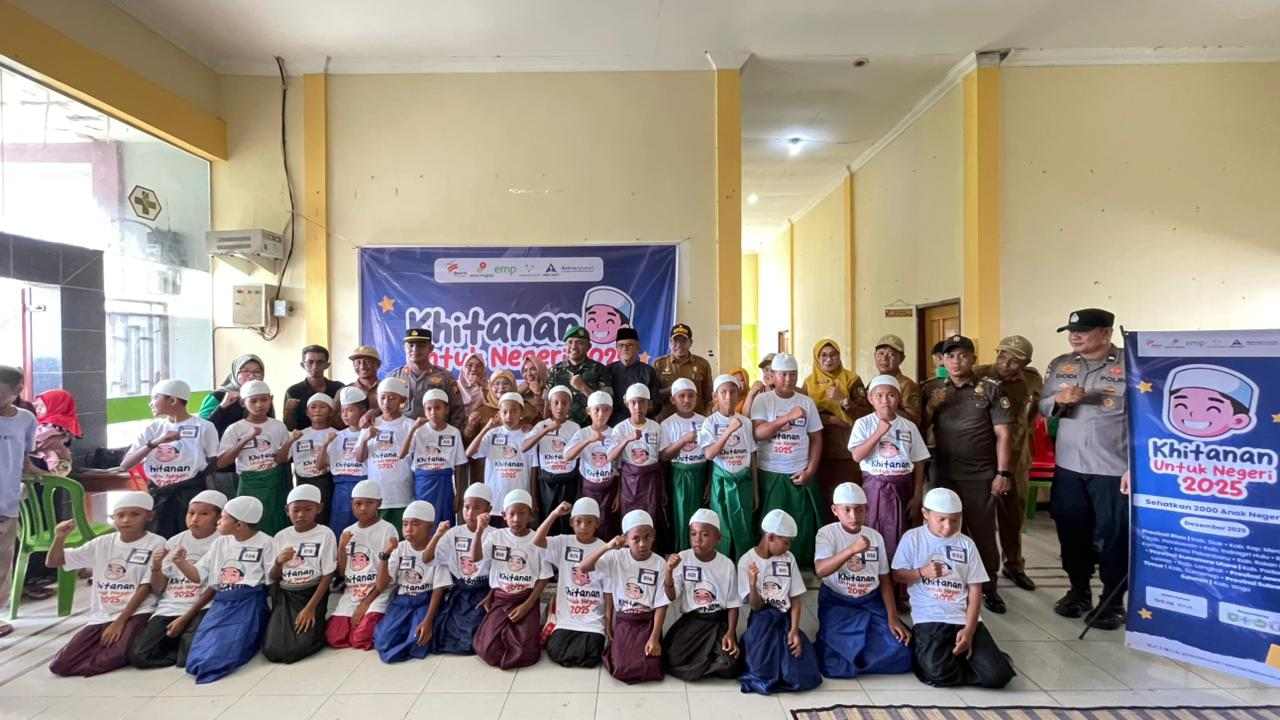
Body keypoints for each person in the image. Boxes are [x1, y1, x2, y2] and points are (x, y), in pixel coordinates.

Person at [1038, 308, 1129, 630]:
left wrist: (1136, 468)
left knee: (1113, 538)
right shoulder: (1061, 364)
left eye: (1084, 330)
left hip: (1113, 469)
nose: (1075, 336)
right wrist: (1060, 399)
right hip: (1069, 467)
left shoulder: (1131, 365)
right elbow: (1043, 405)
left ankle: (1112, 601)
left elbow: (1147, 418)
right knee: (1071, 532)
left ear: (1106, 333)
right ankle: (1078, 591)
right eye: (1072, 331)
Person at [919, 336, 1013, 614]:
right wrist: (931, 406)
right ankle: (948, 581)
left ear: (973, 358)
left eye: (962, 355)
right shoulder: (932, 388)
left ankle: (989, 588)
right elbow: (918, 428)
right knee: (942, 532)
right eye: (950, 356)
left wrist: (1003, 472)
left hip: (979, 474)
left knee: (982, 533)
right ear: (942, 360)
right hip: (943, 474)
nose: (956, 361)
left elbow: (1003, 434)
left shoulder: (990, 389)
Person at [891, 488, 1015, 689]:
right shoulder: (912, 538)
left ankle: (981, 661)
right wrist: (922, 572)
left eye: (955, 520)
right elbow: (897, 575)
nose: (948, 526)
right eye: (941, 519)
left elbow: (975, 589)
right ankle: (953, 659)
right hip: (930, 617)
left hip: (962, 617)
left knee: (998, 677)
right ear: (925, 514)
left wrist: (969, 629)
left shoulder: (967, 544)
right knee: (937, 673)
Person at [46, 491, 165, 676]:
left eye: (134, 514)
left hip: (137, 612)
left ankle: (95, 661)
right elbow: (54, 562)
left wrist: (119, 622)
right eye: (120, 515)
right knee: (59, 665)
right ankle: (92, 660)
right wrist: (59, 537)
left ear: (149, 516)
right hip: (103, 614)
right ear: (113, 518)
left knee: (113, 656)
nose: (126, 520)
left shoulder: (156, 543)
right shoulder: (101, 543)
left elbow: (146, 586)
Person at [814, 482, 912, 679]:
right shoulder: (827, 533)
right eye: (847, 510)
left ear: (866, 510)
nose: (853, 516)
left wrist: (892, 616)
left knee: (903, 651)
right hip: (838, 603)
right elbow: (821, 570)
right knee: (835, 664)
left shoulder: (875, 537)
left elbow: (884, 580)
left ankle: (862, 659)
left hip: (870, 603)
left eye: (859, 510)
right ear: (835, 510)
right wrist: (852, 550)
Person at [127, 490, 226, 669]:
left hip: (203, 607)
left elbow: (215, 587)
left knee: (187, 659)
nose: (195, 519)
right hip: (170, 606)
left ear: (219, 517)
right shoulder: (175, 541)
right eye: (191, 513)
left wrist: (185, 618)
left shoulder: (223, 542)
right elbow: (158, 588)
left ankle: (184, 647)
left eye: (204, 514)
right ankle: (179, 646)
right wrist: (156, 567)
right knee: (140, 657)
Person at [179, 496, 273, 684]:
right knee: (196, 656)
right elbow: (197, 575)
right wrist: (180, 562)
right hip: (221, 603)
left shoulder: (266, 542)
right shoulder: (220, 543)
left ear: (239, 524)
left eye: (223, 517)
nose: (218, 521)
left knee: (224, 652)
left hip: (248, 603)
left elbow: (272, 579)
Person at [974, 335, 1043, 592]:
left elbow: (1035, 409)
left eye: (1015, 361)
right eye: (1002, 355)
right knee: (980, 517)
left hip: (1016, 458)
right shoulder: (979, 374)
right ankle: (980, 569)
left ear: (1025, 363)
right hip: (983, 456)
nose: (1005, 363)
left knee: (1013, 515)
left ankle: (1014, 565)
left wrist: (1023, 432)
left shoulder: (1032, 379)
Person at [847, 376, 930, 578]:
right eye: (879, 395)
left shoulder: (908, 426)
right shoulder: (863, 423)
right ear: (870, 399)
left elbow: (919, 461)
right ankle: (874, 579)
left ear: (899, 398)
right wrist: (879, 432)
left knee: (901, 534)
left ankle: (899, 583)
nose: (885, 400)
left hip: (902, 488)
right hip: (874, 488)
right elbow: (857, 455)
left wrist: (917, 494)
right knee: (874, 532)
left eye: (891, 395)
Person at [737, 509, 822, 695]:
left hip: (785, 620)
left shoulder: (788, 558)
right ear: (770, 537)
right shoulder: (747, 561)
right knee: (761, 672)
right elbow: (755, 606)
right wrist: (752, 584)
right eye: (786, 542)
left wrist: (794, 631)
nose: (788, 547)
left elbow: (795, 599)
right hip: (761, 621)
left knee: (800, 674)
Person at [120, 379, 219, 538]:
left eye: (155, 398)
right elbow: (126, 465)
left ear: (172, 400)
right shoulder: (153, 428)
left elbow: (213, 462)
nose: (150, 403)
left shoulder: (204, 427)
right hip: (158, 496)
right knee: (158, 540)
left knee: (189, 539)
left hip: (189, 495)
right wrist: (156, 442)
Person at [581, 509, 670, 684]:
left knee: (651, 666)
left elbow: (661, 604)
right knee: (621, 667)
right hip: (625, 620)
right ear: (626, 539)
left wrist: (654, 637)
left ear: (653, 536)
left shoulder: (660, 563)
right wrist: (607, 546)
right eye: (636, 538)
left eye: (647, 537)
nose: (642, 544)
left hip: (647, 622)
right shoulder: (616, 557)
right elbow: (584, 567)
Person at [751, 352, 824, 568]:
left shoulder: (806, 402)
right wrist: (787, 417)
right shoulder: (763, 400)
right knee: (770, 523)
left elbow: (816, 438)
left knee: (801, 522)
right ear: (773, 375)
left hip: (798, 471)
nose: (788, 379)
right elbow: (758, 433)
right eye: (783, 374)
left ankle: (799, 565)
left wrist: (810, 470)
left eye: (793, 374)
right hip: (770, 472)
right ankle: (768, 564)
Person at [470, 489, 552, 669]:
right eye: (512, 514)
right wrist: (479, 531)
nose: (516, 519)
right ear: (504, 516)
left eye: (522, 513)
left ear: (530, 515)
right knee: (487, 648)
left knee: (524, 651)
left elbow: (544, 577)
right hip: (501, 599)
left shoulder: (538, 540)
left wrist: (527, 606)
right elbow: (475, 558)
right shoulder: (495, 537)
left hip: (525, 598)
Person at [662, 508, 742, 682]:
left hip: (718, 621)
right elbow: (671, 596)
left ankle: (705, 660)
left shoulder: (727, 565)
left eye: (705, 534)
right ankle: (707, 660)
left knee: (731, 665)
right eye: (693, 534)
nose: (697, 539)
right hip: (693, 620)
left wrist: (730, 633)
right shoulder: (683, 558)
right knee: (672, 658)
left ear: (718, 538)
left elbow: (733, 604)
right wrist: (668, 571)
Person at [263, 484, 336, 663]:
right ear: (287, 511)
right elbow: (273, 576)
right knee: (272, 649)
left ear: (319, 508)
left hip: (312, 593)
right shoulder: (281, 536)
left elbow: (327, 575)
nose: (301, 515)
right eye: (296, 510)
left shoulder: (325, 534)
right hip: (286, 596)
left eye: (308, 509)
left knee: (298, 647)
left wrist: (310, 609)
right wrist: (279, 562)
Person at [373, 500, 452, 663]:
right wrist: (385, 557)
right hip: (402, 601)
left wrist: (428, 621)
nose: (408, 529)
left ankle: (412, 635)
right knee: (382, 640)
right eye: (405, 524)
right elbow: (381, 585)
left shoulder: (438, 550)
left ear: (430, 527)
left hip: (425, 602)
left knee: (419, 639)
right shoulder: (400, 548)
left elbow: (438, 590)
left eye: (415, 524)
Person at [534, 498, 607, 668]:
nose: (583, 527)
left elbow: (609, 588)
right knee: (556, 650)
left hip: (592, 620)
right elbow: (537, 540)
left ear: (597, 524)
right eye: (578, 522)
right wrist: (554, 514)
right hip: (567, 618)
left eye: (589, 522)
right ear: (571, 523)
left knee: (592, 653)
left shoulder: (604, 548)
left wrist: (608, 619)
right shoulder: (563, 542)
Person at [327, 479, 399, 650]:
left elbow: (387, 576)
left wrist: (365, 604)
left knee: (361, 639)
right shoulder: (348, 532)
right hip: (353, 591)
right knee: (335, 638)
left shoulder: (388, 530)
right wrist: (341, 548)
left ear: (379, 504)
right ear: (352, 504)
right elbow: (343, 573)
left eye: (369, 503)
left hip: (378, 590)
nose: (363, 508)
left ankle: (381, 618)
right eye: (358, 504)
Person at [216, 380, 291, 535]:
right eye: (253, 401)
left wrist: (291, 441)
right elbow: (222, 462)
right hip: (249, 483)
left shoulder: (278, 426)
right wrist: (245, 439)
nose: (259, 405)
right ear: (243, 403)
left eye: (264, 400)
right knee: (247, 525)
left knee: (275, 523)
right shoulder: (235, 429)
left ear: (271, 399)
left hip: (274, 483)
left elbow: (283, 459)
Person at [431, 483, 494, 654]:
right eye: (467, 507)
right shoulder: (453, 533)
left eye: (477, 508)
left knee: (476, 633)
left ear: (489, 509)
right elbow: (430, 558)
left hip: (483, 591)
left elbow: (498, 572)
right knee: (444, 631)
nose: (470, 513)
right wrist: (437, 534)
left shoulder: (495, 534)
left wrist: (491, 595)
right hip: (461, 591)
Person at [700, 374, 757, 559]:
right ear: (715, 396)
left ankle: (744, 563)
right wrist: (729, 430)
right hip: (721, 482)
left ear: (739, 395)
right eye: (723, 392)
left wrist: (756, 490)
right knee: (721, 526)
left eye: (733, 392)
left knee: (744, 525)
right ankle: (721, 563)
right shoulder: (710, 422)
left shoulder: (745, 422)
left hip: (743, 481)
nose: (728, 397)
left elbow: (752, 455)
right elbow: (709, 454)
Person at [0, 365, 36, 639]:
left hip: (7, 502)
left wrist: (41, 473)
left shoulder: (25, 419)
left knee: (3, 562)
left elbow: (24, 459)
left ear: (17, 390)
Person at [610, 384, 666, 550]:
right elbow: (611, 457)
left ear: (648, 404)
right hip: (629, 482)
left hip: (651, 481)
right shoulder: (620, 428)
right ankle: (629, 553)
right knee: (629, 519)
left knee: (652, 517)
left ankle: (650, 553)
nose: (638, 407)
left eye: (642, 402)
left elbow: (662, 456)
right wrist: (627, 439)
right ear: (627, 403)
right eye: (633, 402)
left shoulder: (655, 427)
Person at [468, 391, 538, 523]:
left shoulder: (529, 435)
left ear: (521, 413)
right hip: (495, 501)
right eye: (504, 412)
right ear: (498, 414)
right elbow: (469, 453)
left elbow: (534, 468)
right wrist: (486, 428)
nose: (509, 416)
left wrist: (533, 497)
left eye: (514, 411)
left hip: (519, 500)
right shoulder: (492, 434)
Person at [402, 388, 467, 526]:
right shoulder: (418, 431)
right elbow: (402, 454)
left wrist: (459, 495)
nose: (433, 412)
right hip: (422, 482)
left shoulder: (454, 432)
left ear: (446, 409)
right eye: (429, 409)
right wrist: (413, 429)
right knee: (423, 521)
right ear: (424, 410)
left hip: (445, 484)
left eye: (437, 408)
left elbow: (460, 465)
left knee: (444, 523)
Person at [522, 386, 581, 536]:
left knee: (566, 524)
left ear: (570, 405)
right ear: (549, 405)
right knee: (548, 524)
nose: (560, 407)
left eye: (564, 403)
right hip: (547, 484)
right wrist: (546, 430)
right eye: (556, 403)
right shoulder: (541, 425)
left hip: (568, 482)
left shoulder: (575, 427)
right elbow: (524, 447)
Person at [358, 377, 416, 527]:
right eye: (382, 398)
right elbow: (359, 458)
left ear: (402, 400)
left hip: (402, 494)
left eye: (392, 398)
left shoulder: (410, 426)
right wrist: (365, 439)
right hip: (377, 495)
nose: (386, 402)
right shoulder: (370, 424)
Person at [564, 391, 621, 538]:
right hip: (588, 488)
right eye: (597, 410)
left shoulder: (615, 433)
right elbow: (567, 456)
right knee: (589, 524)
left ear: (611, 411)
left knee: (608, 526)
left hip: (610, 489)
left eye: (606, 409)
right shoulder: (582, 433)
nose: (601, 414)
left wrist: (618, 494)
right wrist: (589, 440)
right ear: (588, 411)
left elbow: (620, 466)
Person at [276, 393, 338, 526]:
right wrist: (290, 440)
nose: (317, 410)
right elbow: (281, 459)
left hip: (326, 482)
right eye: (313, 407)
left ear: (331, 411)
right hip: (302, 481)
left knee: (323, 518)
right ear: (307, 412)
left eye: (323, 407)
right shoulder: (300, 434)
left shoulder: (337, 434)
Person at [660, 378, 707, 552]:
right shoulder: (667, 424)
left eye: (691, 396)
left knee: (700, 515)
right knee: (680, 515)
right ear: (673, 399)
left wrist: (709, 481)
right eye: (682, 396)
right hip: (679, 476)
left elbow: (710, 454)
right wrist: (683, 440)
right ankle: (682, 550)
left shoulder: (705, 421)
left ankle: (700, 550)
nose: (687, 400)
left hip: (701, 474)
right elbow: (664, 455)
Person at [318, 386, 371, 532]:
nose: (345, 415)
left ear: (363, 411)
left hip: (363, 485)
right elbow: (320, 466)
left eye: (350, 410)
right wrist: (325, 444)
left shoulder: (370, 433)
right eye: (343, 411)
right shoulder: (337, 435)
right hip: (341, 488)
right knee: (341, 526)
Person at [387, 328, 465, 426]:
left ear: (431, 348)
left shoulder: (445, 377)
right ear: (404, 347)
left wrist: (451, 433)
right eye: (411, 345)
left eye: (421, 346)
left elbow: (457, 411)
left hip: (434, 433)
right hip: (402, 432)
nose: (415, 349)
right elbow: (383, 409)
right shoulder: (394, 377)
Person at [463, 370, 519, 496]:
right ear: (490, 386)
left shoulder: (524, 410)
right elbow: (467, 441)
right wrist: (470, 426)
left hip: (515, 470)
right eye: (496, 384)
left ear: (514, 386)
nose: (501, 387)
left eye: (506, 383)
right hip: (484, 468)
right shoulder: (481, 411)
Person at [547, 324, 613, 426]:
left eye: (580, 343)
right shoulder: (555, 370)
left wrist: (583, 388)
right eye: (570, 342)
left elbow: (606, 402)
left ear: (589, 347)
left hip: (589, 427)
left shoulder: (600, 370)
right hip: (562, 427)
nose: (573, 347)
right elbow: (547, 402)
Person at [199, 354, 273, 437]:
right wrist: (222, 406)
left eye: (257, 372)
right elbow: (201, 429)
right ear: (235, 372)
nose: (251, 375)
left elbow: (270, 424)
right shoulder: (218, 396)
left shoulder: (263, 397)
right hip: (222, 444)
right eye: (245, 371)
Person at [654, 323, 713, 416]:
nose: (679, 345)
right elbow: (654, 395)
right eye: (675, 341)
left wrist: (707, 416)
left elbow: (708, 396)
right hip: (667, 419)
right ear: (670, 342)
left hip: (696, 419)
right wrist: (673, 389)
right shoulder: (659, 364)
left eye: (683, 341)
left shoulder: (702, 364)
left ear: (691, 343)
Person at [283, 345, 345, 431]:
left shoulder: (338, 388)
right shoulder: (294, 391)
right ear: (303, 365)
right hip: (303, 438)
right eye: (310, 362)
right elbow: (289, 427)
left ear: (327, 365)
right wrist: (289, 411)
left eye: (320, 362)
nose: (315, 366)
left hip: (335, 436)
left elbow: (347, 420)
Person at [608, 327, 662, 424]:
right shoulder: (608, 370)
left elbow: (656, 404)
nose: (625, 348)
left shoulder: (648, 371)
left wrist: (639, 405)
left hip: (642, 424)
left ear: (638, 347)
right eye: (621, 345)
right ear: (616, 348)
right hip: (613, 424)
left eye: (630, 345)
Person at [30, 389, 81, 476]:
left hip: (54, 461)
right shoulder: (52, 422)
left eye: (41, 407)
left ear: (57, 407)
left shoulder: (56, 422)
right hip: (51, 459)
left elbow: (38, 436)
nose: (37, 410)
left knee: (50, 479)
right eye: (37, 406)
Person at [873, 335, 921, 425]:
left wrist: (886, 408)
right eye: (881, 353)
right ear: (875, 355)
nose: (884, 358)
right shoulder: (873, 383)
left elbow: (914, 421)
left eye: (891, 354)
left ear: (901, 359)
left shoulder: (907, 385)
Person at [518, 355, 549, 426]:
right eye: (525, 370)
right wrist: (517, 394)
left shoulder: (551, 390)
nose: (529, 374)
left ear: (541, 370)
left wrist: (538, 394)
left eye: (533, 369)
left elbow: (547, 419)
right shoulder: (520, 391)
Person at [458, 352, 489, 418]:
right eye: (470, 365)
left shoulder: (490, 387)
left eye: (478, 366)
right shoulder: (455, 386)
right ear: (464, 368)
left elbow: (492, 406)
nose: (474, 369)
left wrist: (482, 387)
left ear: (483, 369)